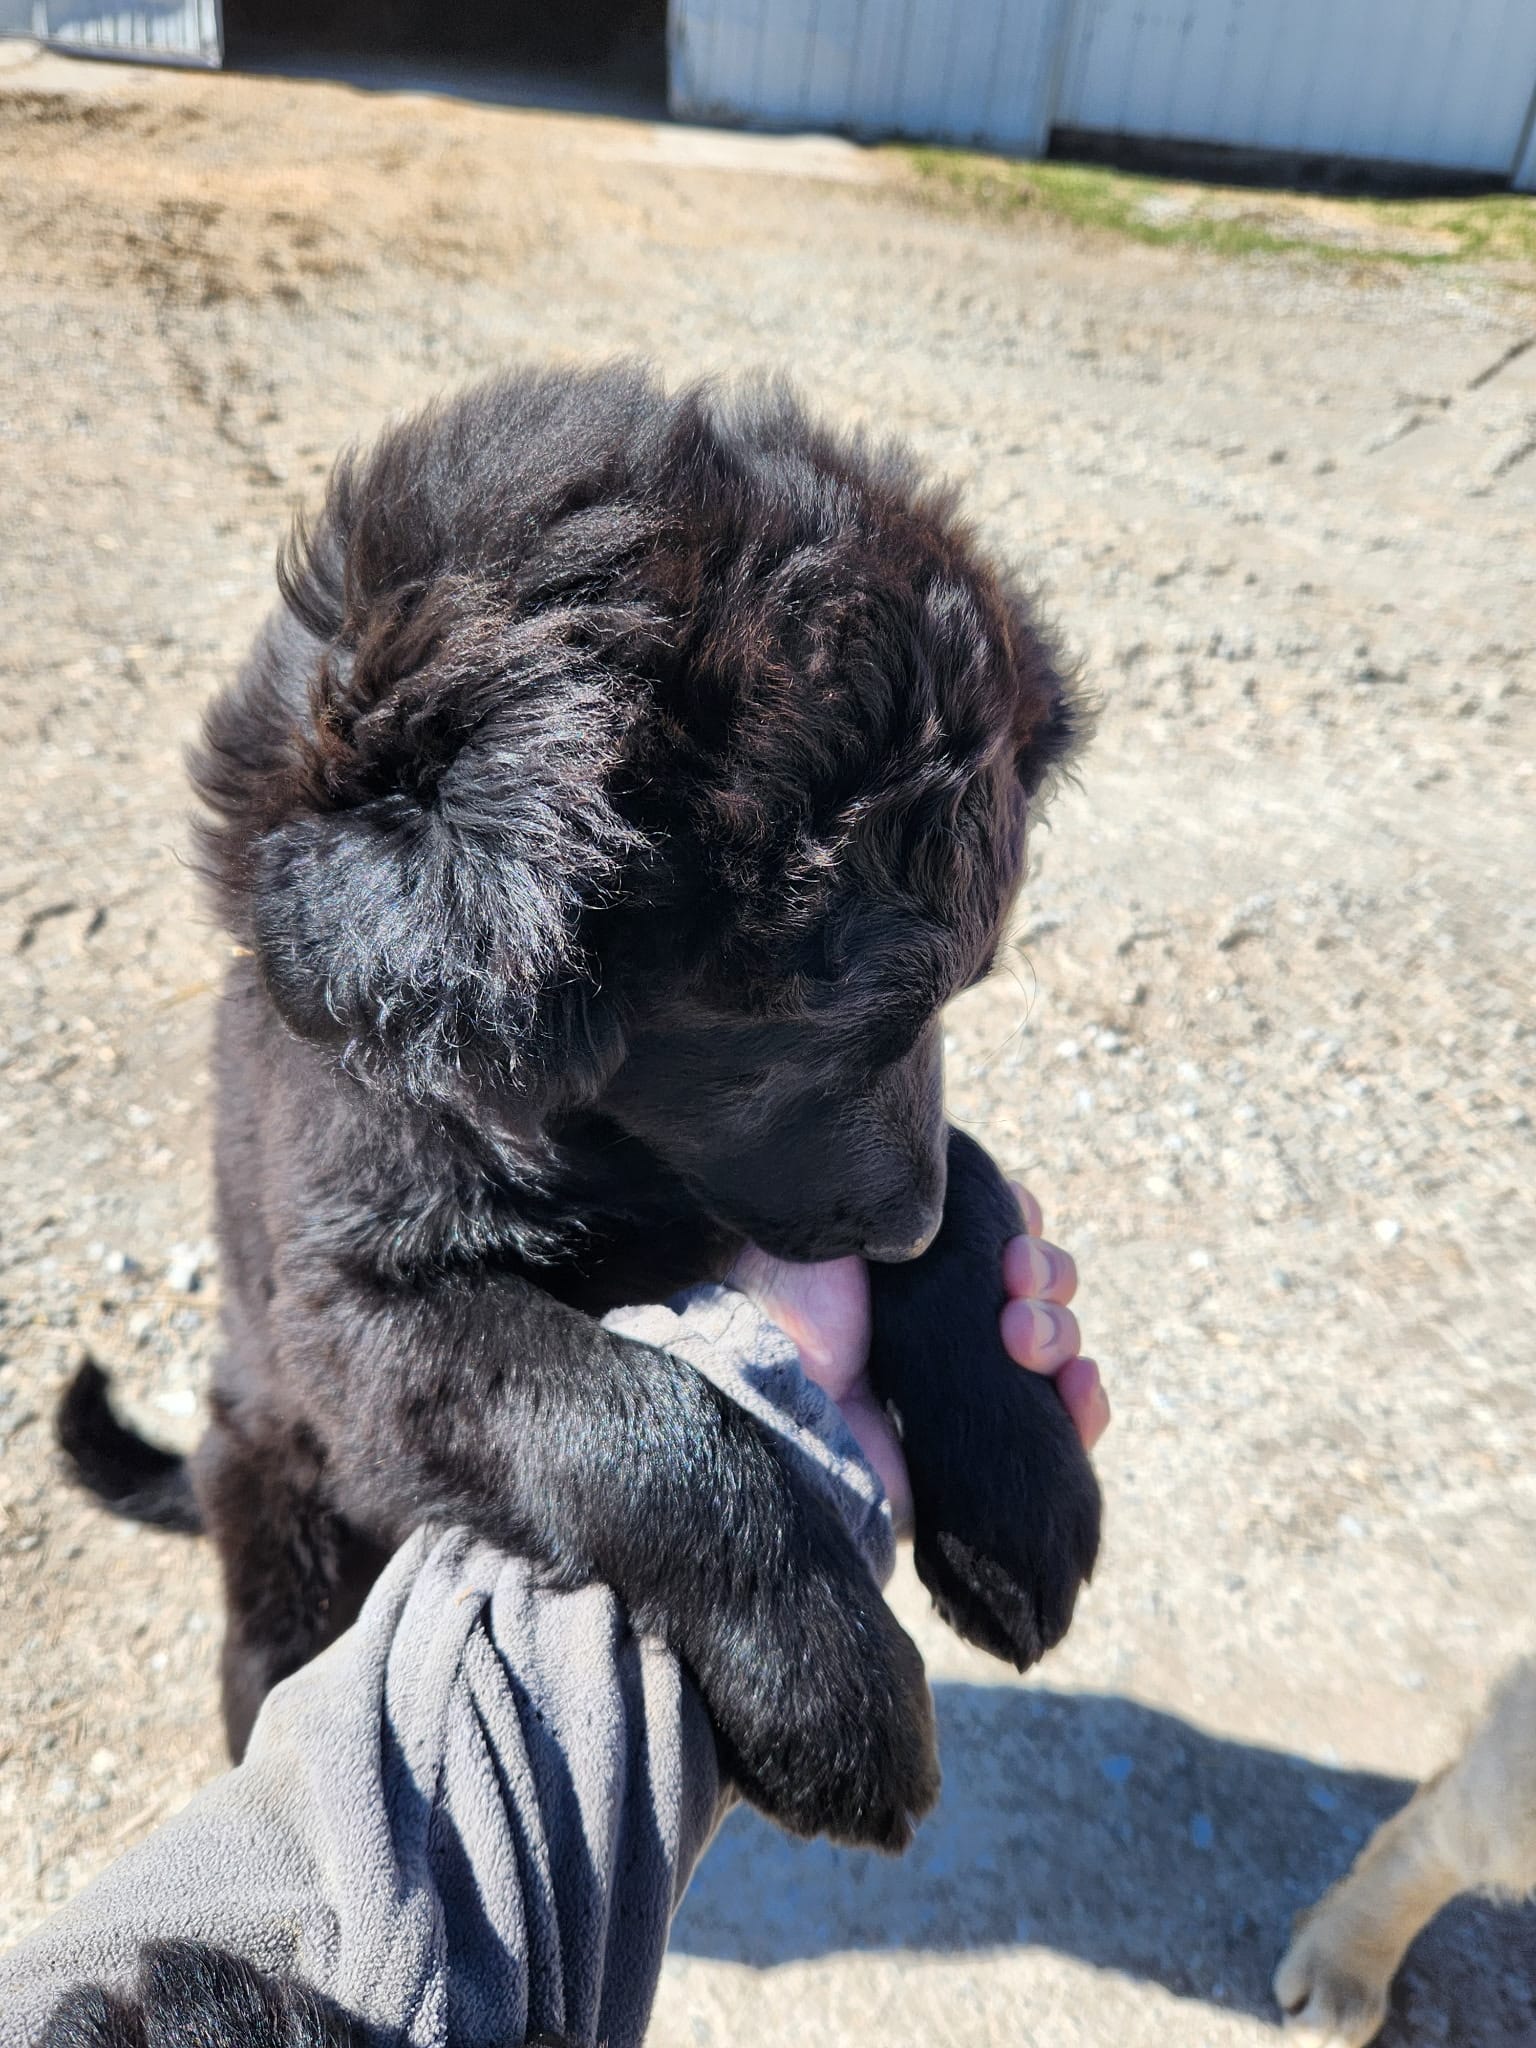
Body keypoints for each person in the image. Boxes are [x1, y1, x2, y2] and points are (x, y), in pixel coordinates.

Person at [3, 1190, 1107, 2048]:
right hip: (319, 1426)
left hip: (547, 1432)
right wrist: (754, 1559)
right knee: (288, 1642)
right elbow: (371, 1314)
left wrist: (803, 1391)